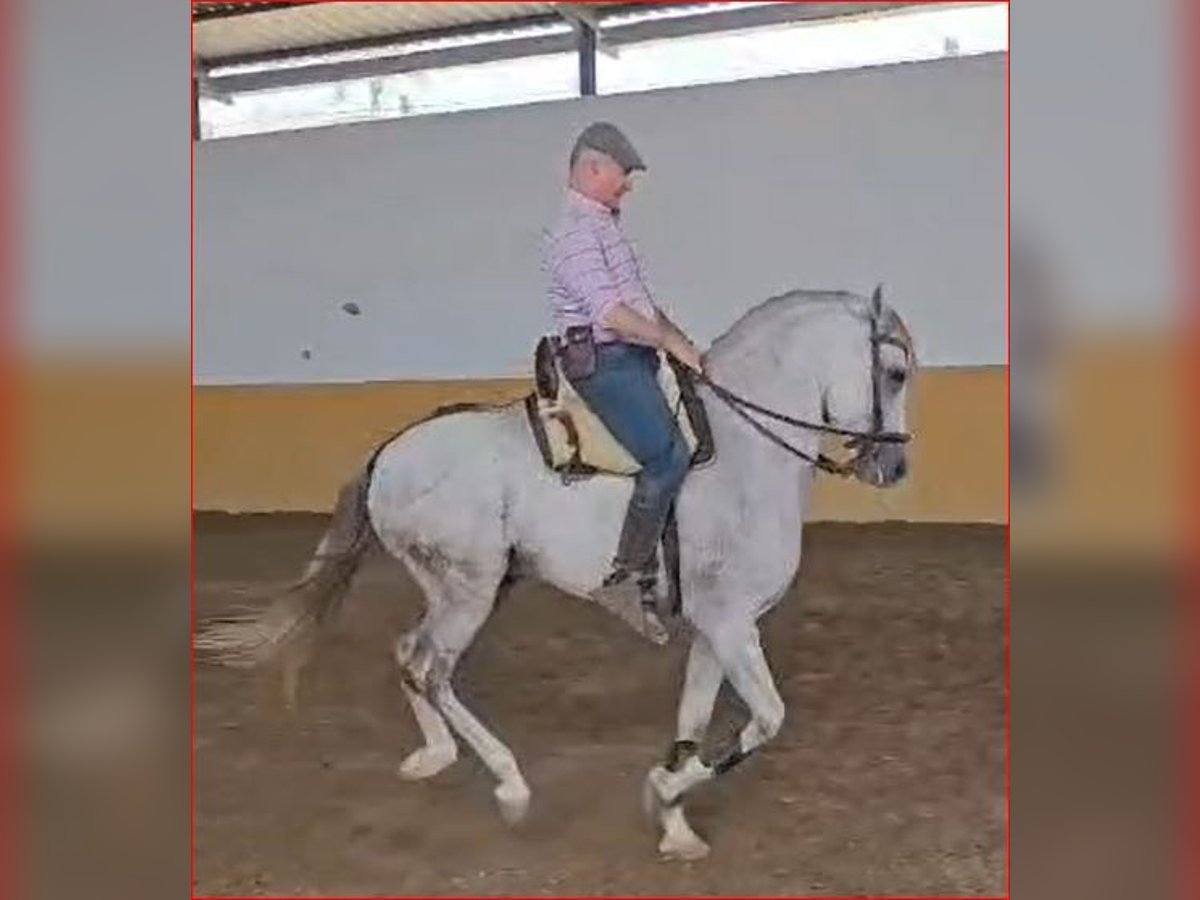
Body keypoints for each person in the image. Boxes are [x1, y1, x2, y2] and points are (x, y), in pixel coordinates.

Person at [541, 122, 704, 644]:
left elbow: (641, 304)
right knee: (668, 457)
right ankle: (626, 577)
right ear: (591, 169)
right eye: (621, 174)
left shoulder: (604, 227)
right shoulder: (574, 234)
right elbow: (611, 314)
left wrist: (683, 343)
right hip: (605, 361)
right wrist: (669, 343)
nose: (627, 185)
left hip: (632, 354)